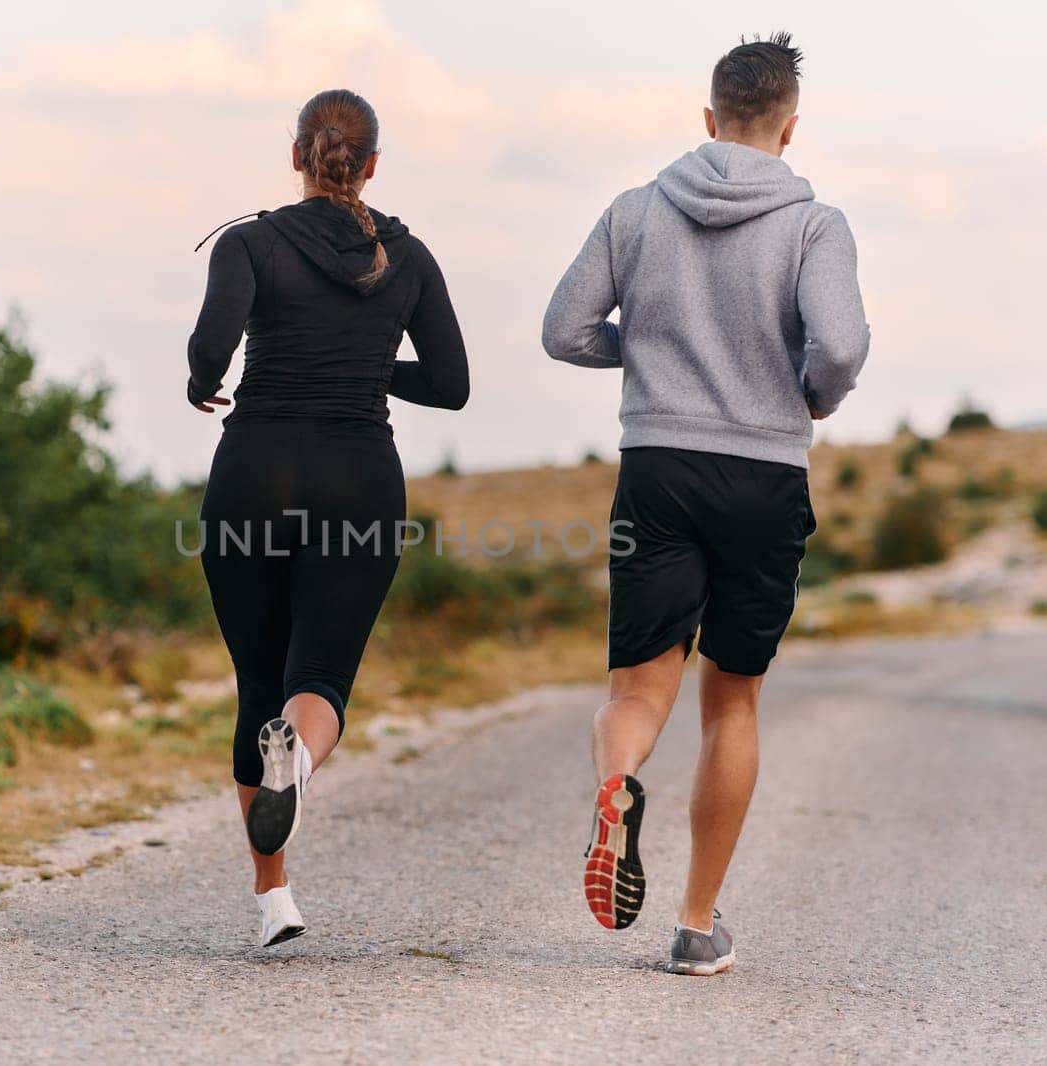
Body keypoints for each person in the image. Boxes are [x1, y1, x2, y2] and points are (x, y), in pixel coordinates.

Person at [541, 33, 870, 975]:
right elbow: (840, 347)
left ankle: (618, 786)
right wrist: (810, 391)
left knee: (638, 691)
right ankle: (693, 927)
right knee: (733, 704)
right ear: (790, 127)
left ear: (708, 117)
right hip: (764, 476)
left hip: (657, 467)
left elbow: (564, 329)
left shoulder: (637, 210)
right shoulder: (816, 226)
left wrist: (645, 354)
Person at [187, 89, 469, 947]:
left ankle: (274, 899)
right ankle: (299, 759)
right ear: (372, 164)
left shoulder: (249, 242)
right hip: (359, 480)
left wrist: (204, 383)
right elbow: (451, 385)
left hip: (253, 476)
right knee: (319, 679)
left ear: (299, 157)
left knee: (257, 682)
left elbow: (211, 353)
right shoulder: (408, 258)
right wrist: (366, 364)